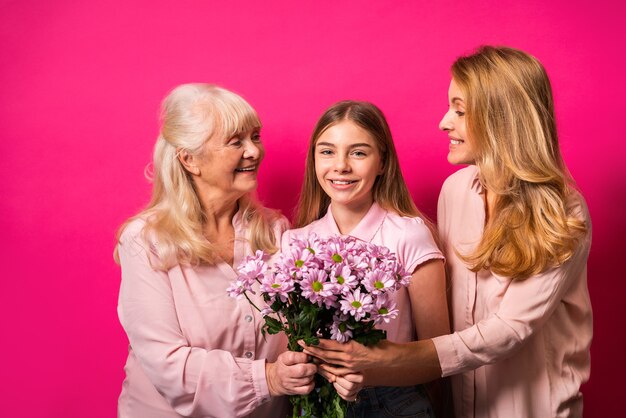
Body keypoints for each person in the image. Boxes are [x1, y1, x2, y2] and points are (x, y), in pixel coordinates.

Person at [300, 46, 592, 418]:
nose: (443, 122)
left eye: (459, 110)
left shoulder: (562, 210)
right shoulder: (455, 192)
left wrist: (393, 362)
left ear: (501, 119)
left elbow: (510, 329)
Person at [114, 83, 316, 418]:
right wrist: (269, 378)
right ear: (190, 159)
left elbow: (299, 331)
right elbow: (167, 363)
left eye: (255, 136)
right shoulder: (146, 241)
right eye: (236, 141)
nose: (253, 151)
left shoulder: (275, 232)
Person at [284, 100, 450, 417]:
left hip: (393, 402)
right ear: (314, 160)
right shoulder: (295, 242)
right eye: (327, 151)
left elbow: (439, 355)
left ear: (383, 162)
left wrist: (372, 371)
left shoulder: (408, 235)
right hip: (317, 402)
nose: (341, 165)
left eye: (358, 152)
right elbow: (293, 344)